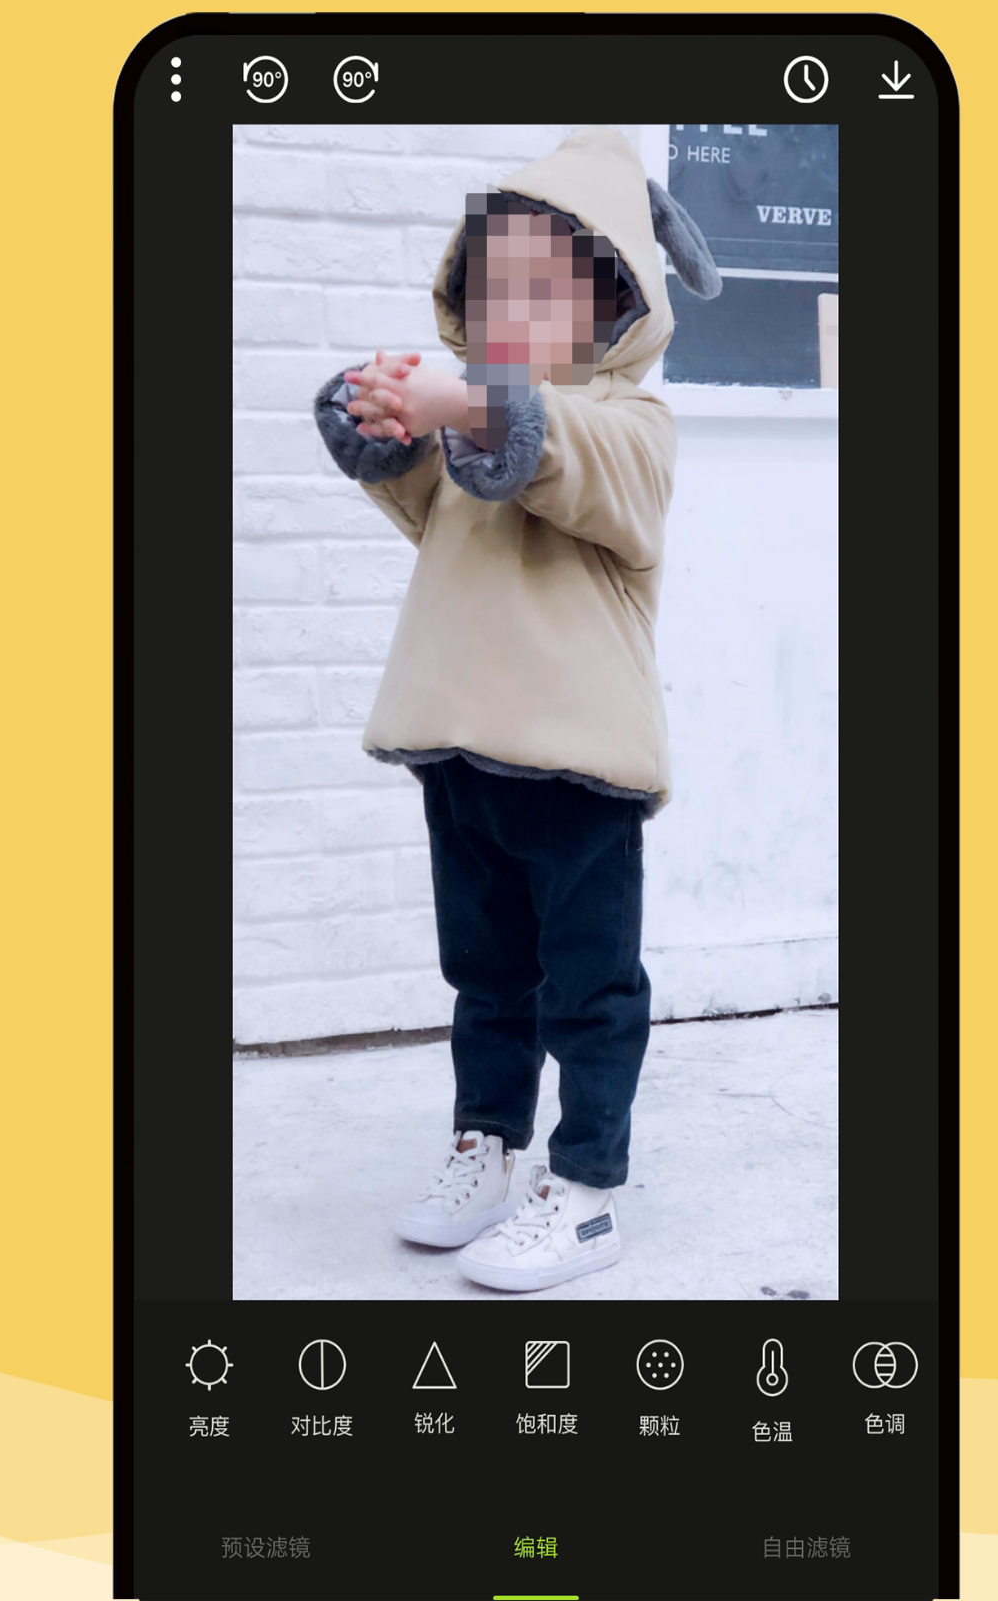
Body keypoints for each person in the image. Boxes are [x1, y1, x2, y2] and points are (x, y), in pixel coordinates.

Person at [313, 126, 720, 1291]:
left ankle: (585, 1188)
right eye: (491, 286)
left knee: (590, 989)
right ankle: (485, 1146)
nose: (508, 310)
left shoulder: (632, 428)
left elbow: (560, 457)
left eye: (543, 291)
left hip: (578, 765)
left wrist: (469, 406)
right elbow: (440, 510)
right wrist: (386, 429)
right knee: (484, 974)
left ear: (616, 310)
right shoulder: (475, 418)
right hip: (458, 746)